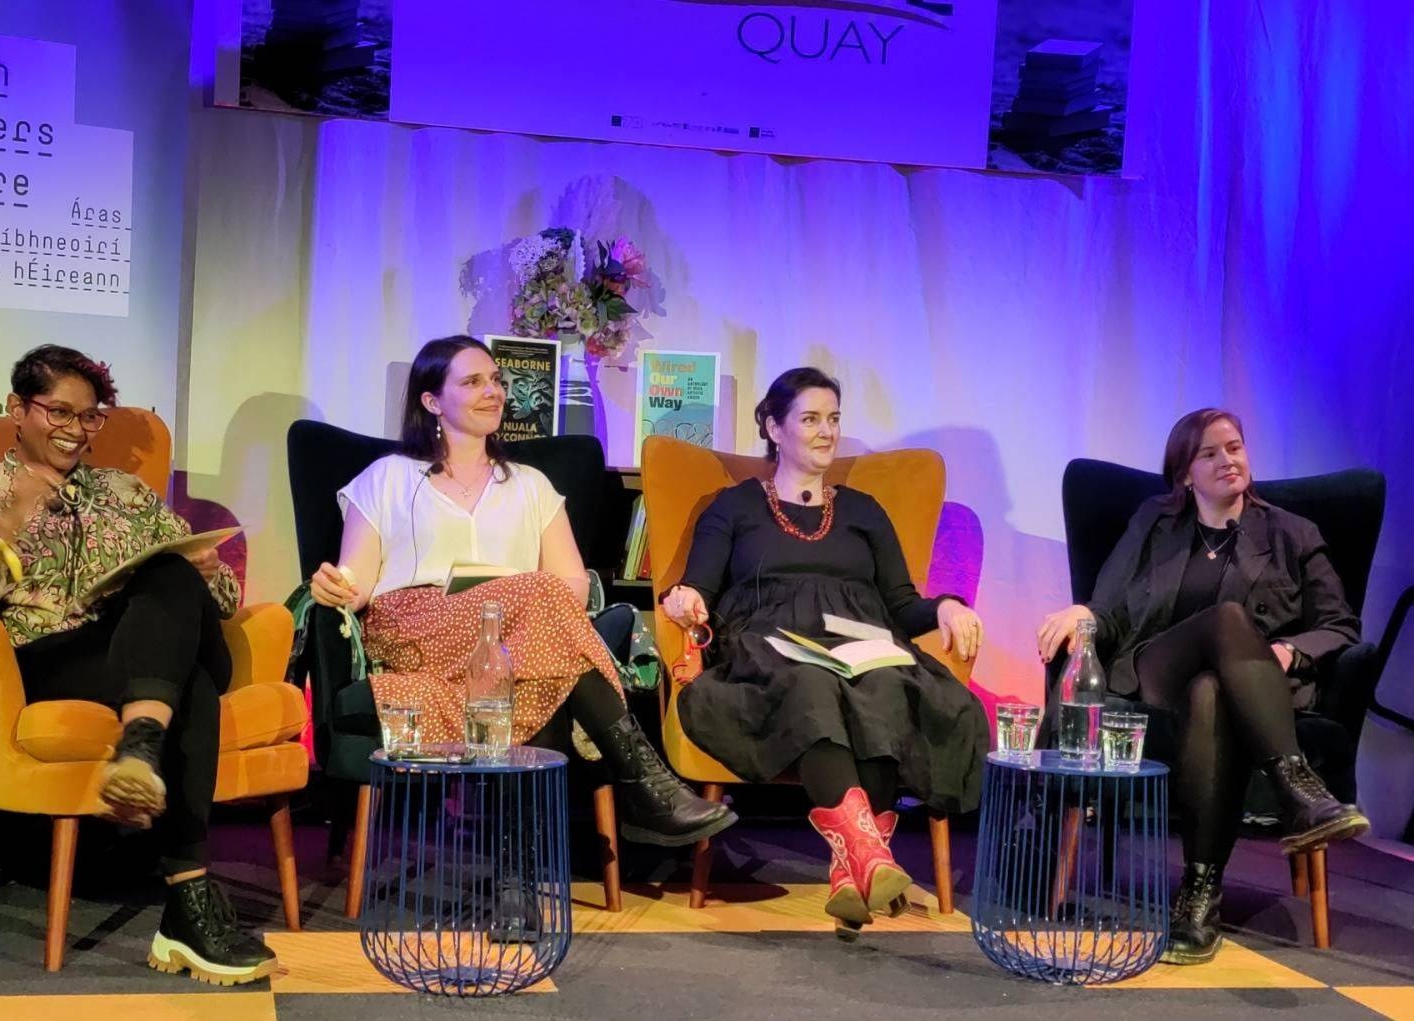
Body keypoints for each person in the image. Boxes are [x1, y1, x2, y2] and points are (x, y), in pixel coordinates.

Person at [0, 345, 277, 985]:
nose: (76, 430)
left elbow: (219, 604)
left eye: (90, 416)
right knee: (189, 685)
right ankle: (188, 899)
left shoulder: (126, 493)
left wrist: (208, 572)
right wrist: (10, 523)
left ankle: (141, 743)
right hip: (46, 665)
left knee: (170, 574)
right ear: (17, 409)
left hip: (141, 651)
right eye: (59, 412)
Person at [308, 335, 735, 850]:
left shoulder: (532, 485)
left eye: (495, 380)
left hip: (511, 642)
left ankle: (519, 872)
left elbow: (574, 585)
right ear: (432, 400)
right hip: (415, 628)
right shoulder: (387, 478)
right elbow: (355, 581)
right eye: (473, 382)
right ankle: (644, 783)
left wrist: (512, 599)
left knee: (537, 665)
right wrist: (334, 586)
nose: (493, 392)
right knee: (540, 598)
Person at [660, 367, 990, 937]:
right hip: (771, 649)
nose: (826, 431)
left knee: (885, 686)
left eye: (833, 419)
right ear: (774, 428)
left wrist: (945, 607)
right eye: (811, 419)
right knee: (811, 684)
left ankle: (853, 872)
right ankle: (869, 854)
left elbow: (901, 603)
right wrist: (683, 599)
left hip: (863, 645)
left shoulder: (864, 511)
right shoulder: (734, 507)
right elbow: (698, 588)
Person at [1036, 407, 1369, 965]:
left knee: (1211, 690)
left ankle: (1199, 897)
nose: (1227, 460)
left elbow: (1340, 627)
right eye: (1209, 453)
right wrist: (1083, 613)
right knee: (1227, 620)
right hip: (1158, 670)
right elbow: (1110, 607)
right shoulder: (1155, 522)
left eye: (1234, 447)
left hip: (1248, 692)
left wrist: (1290, 651)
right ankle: (1298, 788)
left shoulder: (1292, 533)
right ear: (1185, 474)